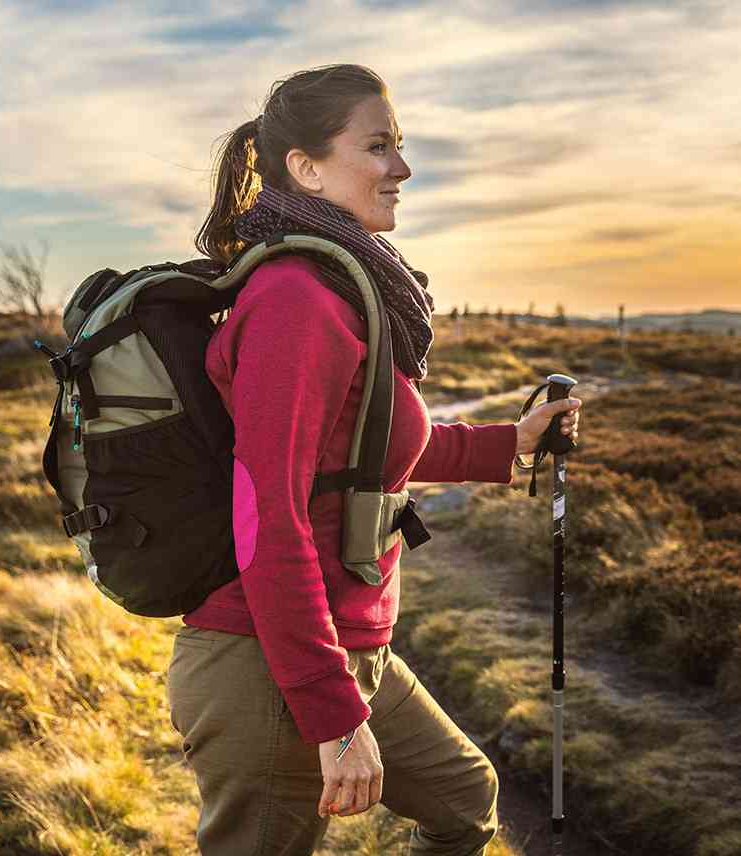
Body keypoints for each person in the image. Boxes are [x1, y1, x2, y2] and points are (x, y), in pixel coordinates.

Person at [166, 63, 582, 856]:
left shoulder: (340, 285)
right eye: (379, 147)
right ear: (306, 167)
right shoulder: (294, 299)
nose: (402, 168)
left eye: (400, 146)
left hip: (347, 645)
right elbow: (269, 517)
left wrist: (512, 443)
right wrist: (330, 717)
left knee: (465, 798)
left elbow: (360, 449)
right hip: (270, 665)